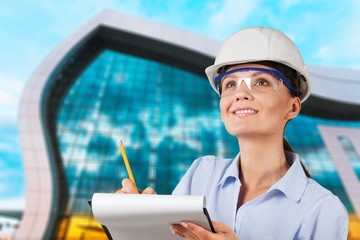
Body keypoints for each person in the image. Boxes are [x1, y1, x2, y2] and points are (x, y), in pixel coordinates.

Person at [117, 26, 349, 239]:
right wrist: (143, 224)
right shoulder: (201, 172)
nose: (241, 93)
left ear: (292, 107)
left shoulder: (322, 208)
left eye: (261, 82)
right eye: (230, 84)